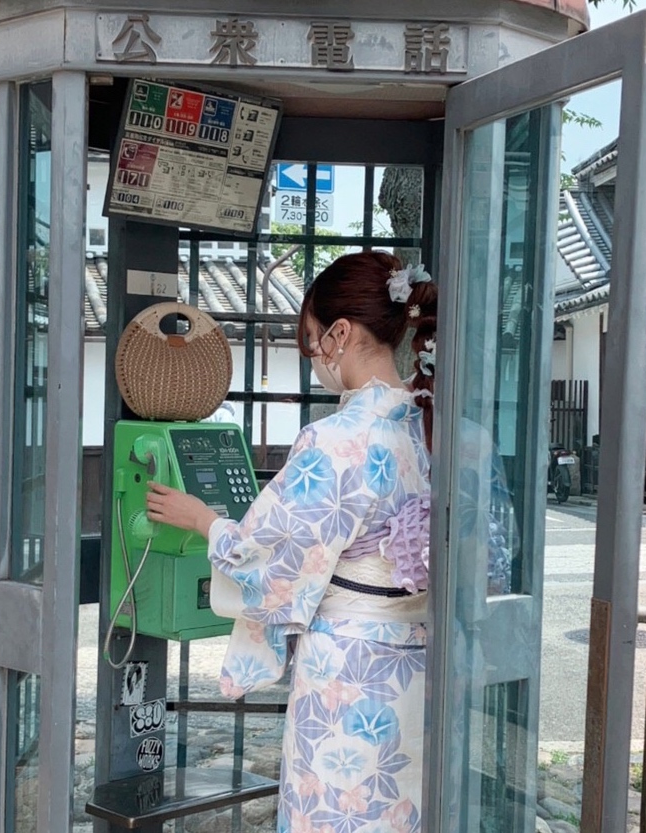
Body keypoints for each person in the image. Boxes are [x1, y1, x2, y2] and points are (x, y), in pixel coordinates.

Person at [146, 251, 437, 832]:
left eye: (309, 342)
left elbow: (268, 553)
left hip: (349, 666)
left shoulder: (334, 440)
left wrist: (203, 519)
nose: (312, 359)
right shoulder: (425, 424)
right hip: (415, 663)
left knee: (335, 809)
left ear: (340, 334)